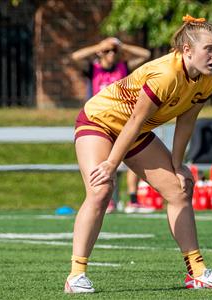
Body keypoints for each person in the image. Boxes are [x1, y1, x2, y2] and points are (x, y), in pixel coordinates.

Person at [64, 15, 212, 293]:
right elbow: (134, 121)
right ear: (187, 51)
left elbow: (186, 121)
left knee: (179, 190)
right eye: (209, 49)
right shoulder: (165, 74)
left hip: (135, 132)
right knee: (100, 189)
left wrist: (178, 164)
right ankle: (76, 275)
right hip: (99, 121)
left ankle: (198, 272)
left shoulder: (209, 77)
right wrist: (111, 163)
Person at [71, 36, 152, 213]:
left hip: (123, 120)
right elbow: (75, 57)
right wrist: (98, 46)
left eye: (114, 51)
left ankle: (133, 200)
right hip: (100, 121)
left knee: (135, 157)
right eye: (108, 52)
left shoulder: (124, 67)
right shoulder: (93, 69)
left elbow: (145, 54)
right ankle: (108, 201)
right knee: (105, 162)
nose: (111, 54)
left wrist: (122, 46)